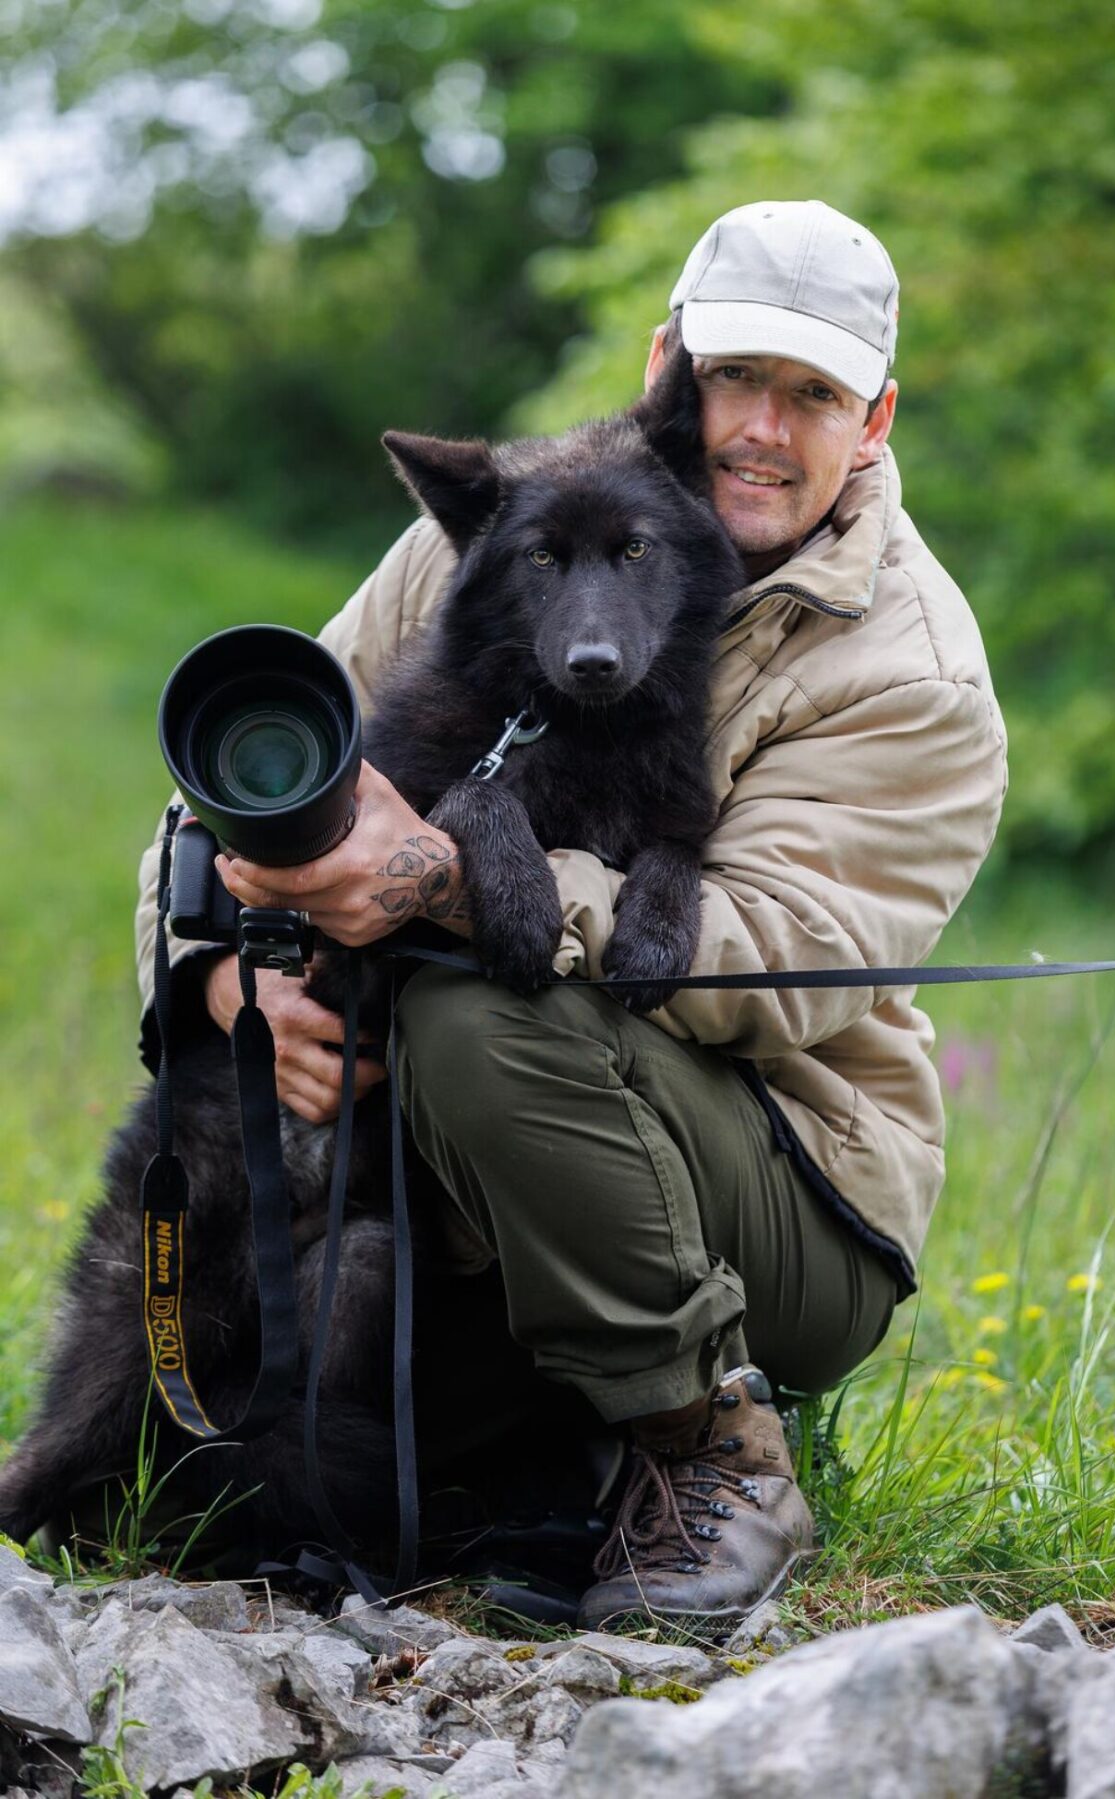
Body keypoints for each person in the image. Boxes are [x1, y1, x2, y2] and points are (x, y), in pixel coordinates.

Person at [134, 200, 1007, 1627]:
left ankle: (704, 1453)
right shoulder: (508, 528)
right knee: (267, 1433)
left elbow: (769, 961)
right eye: (736, 379)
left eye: (816, 396)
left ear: (878, 417)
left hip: (789, 1192)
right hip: (491, 1163)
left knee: (490, 999)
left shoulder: (910, 675)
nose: (763, 432)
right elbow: (239, 782)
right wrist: (226, 986)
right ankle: (521, 1465)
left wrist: (450, 882)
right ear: (667, 363)